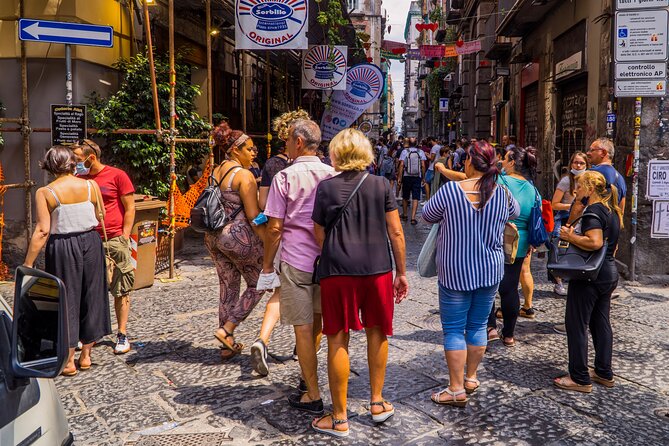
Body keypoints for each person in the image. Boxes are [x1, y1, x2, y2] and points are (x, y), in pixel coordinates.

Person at [310, 129, 409, 437]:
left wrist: (339, 249)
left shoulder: (325, 189)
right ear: (366, 153)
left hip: (337, 271)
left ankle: (339, 419)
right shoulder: (381, 185)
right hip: (377, 270)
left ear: (336, 154)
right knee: (378, 333)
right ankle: (377, 403)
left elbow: (318, 233)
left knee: (337, 339)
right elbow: (396, 233)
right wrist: (401, 273)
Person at [423, 141, 519, 406]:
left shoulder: (451, 191)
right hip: (489, 270)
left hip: (455, 271)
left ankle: (455, 389)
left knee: (454, 329)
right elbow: (516, 213)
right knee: (477, 325)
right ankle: (471, 377)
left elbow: (427, 215)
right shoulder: (502, 193)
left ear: (469, 161)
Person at [258, 119, 336, 414]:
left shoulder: (285, 177)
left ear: (299, 142)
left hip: (296, 261)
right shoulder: (332, 174)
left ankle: (312, 392)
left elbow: (275, 228)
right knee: (318, 324)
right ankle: (310, 380)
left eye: (288, 140)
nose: (286, 145)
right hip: (328, 261)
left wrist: (267, 263)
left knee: (303, 329)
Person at [24, 146, 111, 375]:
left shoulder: (46, 192)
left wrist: (28, 264)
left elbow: (43, 230)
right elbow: (100, 215)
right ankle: (86, 356)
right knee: (92, 295)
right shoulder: (91, 185)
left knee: (67, 298)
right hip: (91, 241)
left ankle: (69, 359)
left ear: (49, 165)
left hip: (63, 245)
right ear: (73, 163)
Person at [554, 171, 622, 393]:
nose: (577, 191)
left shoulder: (593, 210)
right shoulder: (611, 210)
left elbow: (594, 242)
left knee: (576, 324)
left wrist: (569, 236)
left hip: (590, 276)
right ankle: (604, 372)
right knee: (600, 323)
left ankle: (580, 377)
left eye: (581, 187)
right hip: (608, 273)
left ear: (591, 189)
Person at [204, 131, 266, 360]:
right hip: (238, 237)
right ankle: (227, 328)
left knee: (227, 286)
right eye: (249, 149)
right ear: (235, 150)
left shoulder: (215, 171)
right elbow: (253, 216)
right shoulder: (243, 175)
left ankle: (225, 344)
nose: (253, 153)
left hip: (212, 237)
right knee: (259, 283)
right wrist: (268, 237)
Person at [73, 139, 136, 355]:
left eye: (78, 160)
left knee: (121, 287)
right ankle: (90, 334)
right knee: (88, 289)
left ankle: (122, 334)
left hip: (114, 238)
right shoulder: (79, 179)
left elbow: (130, 207)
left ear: (91, 158)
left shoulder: (117, 176)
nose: (75, 164)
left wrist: (125, 236)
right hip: (89, 239)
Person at [487, 146, 540, 345]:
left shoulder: (500, 181)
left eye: (506, 159)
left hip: (497, 238)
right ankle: (509, 334)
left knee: (489, 286)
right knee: (509, 289)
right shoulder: (533, 189)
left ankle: (491, 328)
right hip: (520, 244)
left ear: (512, 162)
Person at [249, 143, 291, 376]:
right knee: (314, 299)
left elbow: (264, 204)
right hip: (311, 243)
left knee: (279, 293)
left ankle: (262, 340)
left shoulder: (273, 165)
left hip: (281, 238)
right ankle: (304, 349)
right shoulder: (321, 166)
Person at [551, 152, 589, 296]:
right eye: (576, 163)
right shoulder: (566, 181)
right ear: (571, 164)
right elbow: (554, 204)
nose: (578, 165)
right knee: (558, 247)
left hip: (583, 218)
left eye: (581, 163)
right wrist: (573, 206)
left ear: (586, 165)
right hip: (565, 217)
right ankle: (558, 281)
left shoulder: (588, 180)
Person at [398, 138, 427, 225]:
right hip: (417, 176)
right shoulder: (420, 152)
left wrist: (399, 177)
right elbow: (423, 165)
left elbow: (402, 165)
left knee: (405, 196)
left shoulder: (404, 152)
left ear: (408, 143)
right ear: (416, 143)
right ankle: (413, 218)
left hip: (407, 176)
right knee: (415, 197)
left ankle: (405, 214)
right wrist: (423, 177)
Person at [425, 137, 442, 201]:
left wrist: (426, 154)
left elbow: (431, 159)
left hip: (431, 167)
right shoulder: (439, 147)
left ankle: (428, 199)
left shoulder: (434, 147)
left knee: (426, 182)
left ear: (431, 141)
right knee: (433, 183)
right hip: (437, 166)